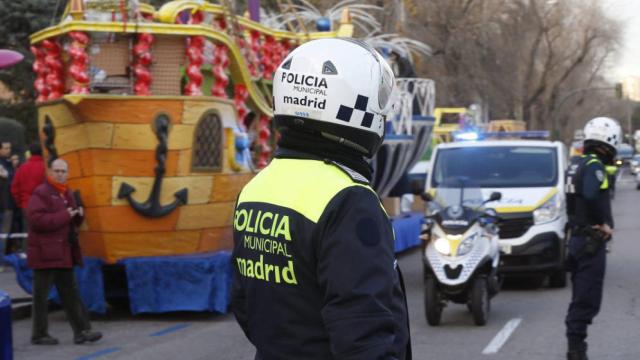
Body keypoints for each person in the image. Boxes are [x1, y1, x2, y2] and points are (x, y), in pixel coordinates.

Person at [231, 38, 411, 360]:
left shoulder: (257, 187)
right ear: (350, 103)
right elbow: (364, 331)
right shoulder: (349, 200)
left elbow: (246, 304)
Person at [27, 158, 102, 345]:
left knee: (72, 295)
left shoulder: (67, 192)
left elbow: (70, 222)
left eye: (63, 171)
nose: (60, 174)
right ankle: (39, 335)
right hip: (45, 253)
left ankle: (82, 331)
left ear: (68, 173)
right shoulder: (41, 192)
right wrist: (65, 215)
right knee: (41, 298)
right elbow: (36, 220)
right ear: (50, 172)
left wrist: (78, 216)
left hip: (63, 252)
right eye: (57, 170)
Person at [564, 117, 619, 360]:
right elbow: (590, 194)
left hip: (577, 239)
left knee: (580, 296)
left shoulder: (577, 163)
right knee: (587, 298)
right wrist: (603, 225)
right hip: (589, 241)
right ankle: (576, 351)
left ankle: (576, 347)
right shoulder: (595, 165)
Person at [11, 143, 46, 238]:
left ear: (30, 153)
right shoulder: (46, 168)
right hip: (44, 206)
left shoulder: (22, 168)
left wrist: (20, 203)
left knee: (29, 234)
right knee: (45, 234)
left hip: (26, 205)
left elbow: (14, 188)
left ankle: (27, 252)